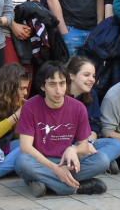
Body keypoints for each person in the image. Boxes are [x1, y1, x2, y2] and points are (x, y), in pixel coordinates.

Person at [14, 61, 111, 196]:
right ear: (43, 86)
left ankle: (45, 184)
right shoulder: (30, 106)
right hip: (42, 161)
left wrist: (73, 149)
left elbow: (84, 145)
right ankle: (74, 188)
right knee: (22, 162)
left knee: (102, 160)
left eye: (62, 83)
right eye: (52, 84)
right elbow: (26, 147)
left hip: (68, 161)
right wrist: (55, 169)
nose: (58, 90)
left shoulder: (78, 107)